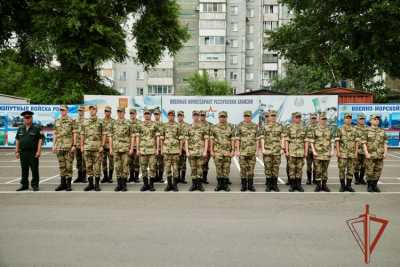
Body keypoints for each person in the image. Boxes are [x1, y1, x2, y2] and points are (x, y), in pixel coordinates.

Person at [132, 108, 160, 191]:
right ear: (144, 115)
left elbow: (157, 137)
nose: (147, 115)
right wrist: (137, 149)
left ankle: (151, 185)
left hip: (151, 150)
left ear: (150, 115)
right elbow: (137, 137)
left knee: (152, 168)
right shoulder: (139, 125)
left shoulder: (155, 125)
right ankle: (145, 184)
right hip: (143, 150)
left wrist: (157, 148)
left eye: (148, 114)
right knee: (143, 168)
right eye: (145, 114)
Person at [15, 110, 43, 191]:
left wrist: (39, 151)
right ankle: (24, 185)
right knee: (24, 169)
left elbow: (40, 140)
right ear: (23, 119)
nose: (27, 119)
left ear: (31, 118)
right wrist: (16, 151)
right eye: (25, 118)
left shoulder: (36, 128)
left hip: (33, 152)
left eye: (28, 118)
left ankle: (35, 185)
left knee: (34, 169)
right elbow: (17, 140)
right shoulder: (20, 128)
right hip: (23, 152)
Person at [80, 105, 106, 191]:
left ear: (96, 110)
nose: (92, 111)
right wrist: (82, 146)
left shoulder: (101, 122)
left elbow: (104, 134)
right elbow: (82, 134)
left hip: (97, 148)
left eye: (93, 109)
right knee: (88, 167)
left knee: (97, 167)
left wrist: (102, 145)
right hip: (87, 148)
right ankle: (90, 184)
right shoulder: (85, 122)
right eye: (90, 109)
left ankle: (97, 185)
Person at [307, 112, 335, 192]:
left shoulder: (329, 129)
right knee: (318, 170)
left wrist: (332, 150)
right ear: (319, 120)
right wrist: (314, 151)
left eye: (325, 119)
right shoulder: (315, 129)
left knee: (325, 170)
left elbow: (332, 141)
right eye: (322, 119)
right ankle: (318, 185)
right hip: (318, 153)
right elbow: (312, 141)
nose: (324, 121)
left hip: (326, 153)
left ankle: (324, 185)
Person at [258, 110, 285, 192]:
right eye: (271, 116)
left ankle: (275, 185)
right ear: (268, 117)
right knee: (268, 168)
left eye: (274, 116)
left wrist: (282, 148)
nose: (273, 117)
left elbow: (282, 138)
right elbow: (262, 138)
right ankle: (269, 185)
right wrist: (262, 149)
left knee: (276, 168)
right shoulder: (264, 126)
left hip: (277, 151)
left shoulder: (280, 126)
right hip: (267, 150)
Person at [362, 114, 388, 193]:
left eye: (378, 119)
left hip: (380, 155)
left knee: (378, 171)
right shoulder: (366, 130)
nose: (377, 120)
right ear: (370, 120)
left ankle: (375, 185)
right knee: (369, 171)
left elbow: (385, 143)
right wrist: (366, 153)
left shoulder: (382, 131)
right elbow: (363, 143)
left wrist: (385, 152)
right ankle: (369, 186)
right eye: (375, 119)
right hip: (370, 155)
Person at [53, 105, 77, 191]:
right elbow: (55, 134)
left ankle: (68, 185)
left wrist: (74, 145)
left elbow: (74, 133)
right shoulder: (57, 121)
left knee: (69, 166)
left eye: (63, 110)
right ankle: (62, 184)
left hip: (68, 147)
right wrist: (54, 145)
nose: (62, 111)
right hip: (59, 147)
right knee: (61, 166)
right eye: (61, 110)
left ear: (67, 111)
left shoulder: (71, 121)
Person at [210, 111, 235, 192]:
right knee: (218, 169)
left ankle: (225, 185)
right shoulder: (214, 127)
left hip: (227, 152)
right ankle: (219, 185)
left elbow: (233, 139)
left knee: (226, 169)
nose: (222, 118)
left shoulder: (231, 127)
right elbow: (212, 140)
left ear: (226, 117)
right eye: (221, 117)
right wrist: (211, 150)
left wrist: (233, 151)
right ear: (218, 117)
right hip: (217, 152)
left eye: (224, 117)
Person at [109, 107, 132, 192]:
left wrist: (131, 147)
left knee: (125, 167)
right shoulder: (113, 123)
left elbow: (131, 136)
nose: (120, 113)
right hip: (116, 149)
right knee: (117, 167)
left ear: (124, 113)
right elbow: (110, 136)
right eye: (118, 112)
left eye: (121, 112)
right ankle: (119, 185)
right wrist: (111, 148)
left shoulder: (128, 123)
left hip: (125, 148)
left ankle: (124, 185)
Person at [185, 110, 209, 192]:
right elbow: (186, 140)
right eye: (194, 115)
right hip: (191, 152)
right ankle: (194, 184)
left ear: (199, 116)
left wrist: (205, 151)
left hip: (200, 152)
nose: (196, 117)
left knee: (200, 169)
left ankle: (199, 185)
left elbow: (206, 140)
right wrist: (187, 151)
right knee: (193, 169)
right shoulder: (189, 127)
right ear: (192, 116)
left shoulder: (203, 127)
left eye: (197, 115)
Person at [160, 110, 183, 191]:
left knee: (176, 169)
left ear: (174, 116)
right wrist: (162, 148)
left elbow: (181, 139)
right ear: (168, 116)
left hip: (175, 151)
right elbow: (162, 138)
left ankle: (175, 185)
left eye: (172, 115)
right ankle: (169, 185)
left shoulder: (178, 125)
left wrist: (180, 149)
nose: (171, 117)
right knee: (167, 168)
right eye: (169, 115)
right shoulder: (164, 125)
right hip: (166, 151)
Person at [235, 111, 258, 192]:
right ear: (243, 116)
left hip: (252, 151)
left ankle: (250, 186)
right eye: (245, 116)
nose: (247, 117)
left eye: (248, 116)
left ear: (251, 117)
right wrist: (237, 150)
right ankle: (244, 186)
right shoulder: (239, 125)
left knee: (251, 169)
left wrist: (257, 150)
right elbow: (237, 139)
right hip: (242, 152)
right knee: (243, 169)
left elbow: (257, 139)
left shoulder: (255, 126)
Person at [335, 113, 358, 192]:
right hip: (342, 153)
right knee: (342, 170)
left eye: (350, 118)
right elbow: (337, 141)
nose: (348, 119)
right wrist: (338, 152)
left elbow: (356, 142)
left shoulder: (354, 129)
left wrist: (356, 152)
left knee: (350, 170)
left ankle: (348, 186)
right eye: (347, 118)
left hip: (351, 154)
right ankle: (342, 186)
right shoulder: (340, 129)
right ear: (344, 119)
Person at [285, 112, 307, 192]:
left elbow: (305, 141)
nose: (298, 119)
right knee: (292, 169)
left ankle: (298, 185)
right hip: (292, 152)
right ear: (293, 118)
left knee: (299, 169)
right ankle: (292, 185)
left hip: (301, 152)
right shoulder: (289, 127)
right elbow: (286, 140)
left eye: (299, 117)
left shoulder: (304, 128)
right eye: (296, 117)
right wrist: (287, 151)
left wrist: (306, 151)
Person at [73, 105, 87, 183]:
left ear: (84, 111)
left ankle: (84, 177)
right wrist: (74, 144)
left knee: (84, 161)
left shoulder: (86, 121)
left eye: (81, 110)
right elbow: (74, 132)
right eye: (79, 110)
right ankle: (79, 177)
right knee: (78, 161)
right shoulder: (75, 121)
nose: (80, 112)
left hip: (84, 144)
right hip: (77, 144)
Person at [101, 106, 115, 183]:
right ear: (104, 112)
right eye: (106, 111)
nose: (107, 112)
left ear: (110, 112)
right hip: (103, 146)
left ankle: (110, 177)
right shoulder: (101, 121)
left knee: (111, 162)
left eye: (108, 111)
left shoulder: (113, 122)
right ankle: (105, 177)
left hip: (110, 146)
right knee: (103, 162)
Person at [128, 108, 141, 183]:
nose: (132, 115)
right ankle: (131, 177)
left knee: (136, 163)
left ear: (136, 114)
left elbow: (140, 136)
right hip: (129, 146)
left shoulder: (139, 123)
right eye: (131, 113)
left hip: (137, 146)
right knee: (130, 163)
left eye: (133, 113)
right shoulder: (127, 123)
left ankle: (136, 177)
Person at [354, 113, 368, 185]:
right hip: (357, 150)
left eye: (363, 119)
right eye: (360, 119)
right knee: (356, 166)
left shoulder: (367, 128)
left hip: (365, 151)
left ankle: (361, 179)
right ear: (357, 120)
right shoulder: (354, 129)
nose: (362, 120)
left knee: (364, 166)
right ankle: (356, 179)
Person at [200, 110, 212, 184]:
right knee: (198, 164)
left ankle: (204, 178)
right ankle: (199, 179)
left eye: (203, 115)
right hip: (197, 148)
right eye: (201, 115)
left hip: (207, 149)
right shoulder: (194, 125)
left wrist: (210, 148)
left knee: (205, 164)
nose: (202, 116)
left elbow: (212, 137)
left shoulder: (210, 125)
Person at [305, 113, 318, 184]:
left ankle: (315, 179)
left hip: (316, 150)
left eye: (314, 118)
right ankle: (309, 179)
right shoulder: (307, 128)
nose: (313, 120)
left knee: (316, 166)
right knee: (309, 166)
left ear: (317, 119)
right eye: (312, 118)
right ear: (310, 119)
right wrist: (305, 150)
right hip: (309, 150)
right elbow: (305, 139)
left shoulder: (319, 127)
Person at [177, 111, 189, 184]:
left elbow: (187, 136)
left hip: (184, 148)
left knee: (183, 164)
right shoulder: (175, 125)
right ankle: (177, 178)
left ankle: (183, 178)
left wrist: (182, 146)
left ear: (183, 116)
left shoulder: (187, 125)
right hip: (176, 148)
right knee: (177, 164)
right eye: (178, 116)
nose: (179, 117)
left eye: (181, 116)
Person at [153, 108, 164, 183]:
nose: (156, 115)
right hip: (153, 146)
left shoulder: (163, 125)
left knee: (161, 163)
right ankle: (155, 176)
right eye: (155, 114)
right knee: (154, 163)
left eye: (158, 114)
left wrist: (162, 148)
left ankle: (160, 177)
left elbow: (163, 137)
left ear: (160, 115)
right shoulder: (151, 124)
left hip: (161, 146)